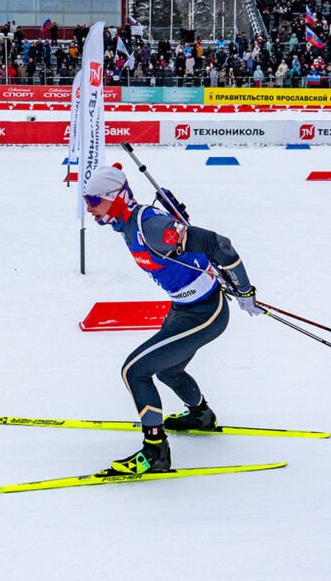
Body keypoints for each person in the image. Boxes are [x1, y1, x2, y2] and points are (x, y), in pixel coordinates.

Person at [83, 164, 263, 475]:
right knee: (168, 370)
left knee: (134, 371)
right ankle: (201, 415)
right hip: (183, 308)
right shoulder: (129, 225)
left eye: (94, 202)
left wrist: (245, 290)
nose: (90, 210)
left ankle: (156, 452)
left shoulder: (149, 226)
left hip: (205, 313)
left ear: (115, 198)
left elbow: (220, 245)